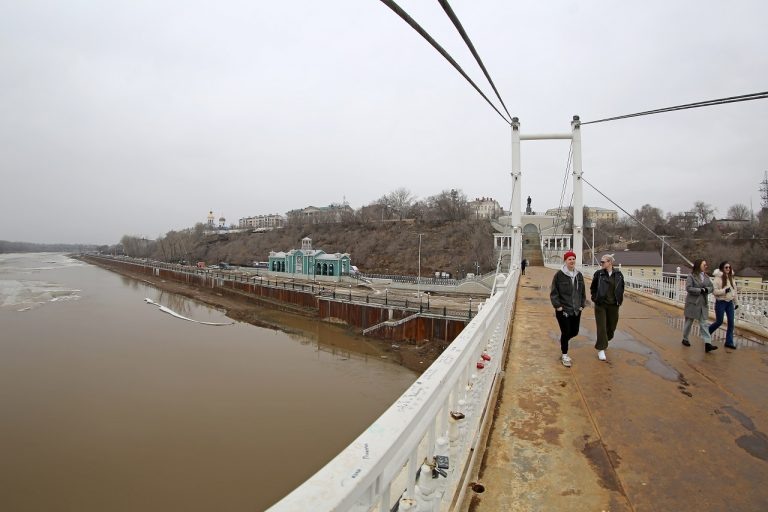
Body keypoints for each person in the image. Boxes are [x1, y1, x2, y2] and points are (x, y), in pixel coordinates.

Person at [550, 250, 586, 367]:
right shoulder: (559, 275)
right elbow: (554, 292)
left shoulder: (579, 275)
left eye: (573, 259)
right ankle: (564, 355)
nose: (572, 261)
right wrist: (558, 306)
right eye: (569, 259)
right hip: (563, 310)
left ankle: (563, 341)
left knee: (574, 332)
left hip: (576, 309)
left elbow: (582, 291)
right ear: (565, 261)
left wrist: (582, 305)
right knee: (566, 332)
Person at [590, 253, 625, 361]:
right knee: (601, 327)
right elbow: (593, 287)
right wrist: (595, 298)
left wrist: (619, 300)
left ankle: (605, 340)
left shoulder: (619, 274)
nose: (601, 263)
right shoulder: (599, 274)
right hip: (601, 304)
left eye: (603, 262)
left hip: (614, 305)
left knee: (611, 328)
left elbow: (621, 288)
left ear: (610, 262)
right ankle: (601, 349)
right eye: (601, 261)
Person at [682, 259, 717, 352]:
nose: (706, 266)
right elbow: (688, 288)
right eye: (704, 265)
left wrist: (706, 290)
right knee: (689, 322)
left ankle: (708, 343)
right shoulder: (691, 276)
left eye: (706, 265)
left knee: (704, 324)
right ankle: (685, 338)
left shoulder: (706, 277)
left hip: (702, 304)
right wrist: (700, 290)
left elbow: (712, 287)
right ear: (699, 265)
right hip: (693, 303)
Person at [708, 261, 739, 349]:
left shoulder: (731, 278)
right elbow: (714, 292)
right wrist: (724, 291)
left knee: (731, 323)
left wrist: (736, 303)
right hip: (721, 302)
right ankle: (707, 333)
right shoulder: (717, 279)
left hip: (729, 303)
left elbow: (734, 291)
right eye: (726, 267)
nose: (728, 269)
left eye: (729, 267)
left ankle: (729, 342)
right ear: (722, 268)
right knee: (719, 321)